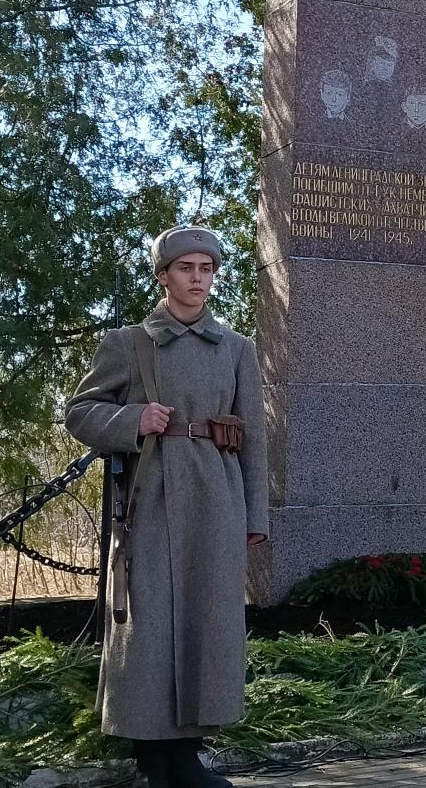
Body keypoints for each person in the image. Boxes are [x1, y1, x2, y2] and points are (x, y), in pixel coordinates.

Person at [66, 226, 268, 788]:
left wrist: (255, 515)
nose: (197, 279)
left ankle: (189, 754)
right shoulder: (128, 343)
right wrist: (132, 420)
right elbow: (79, 411)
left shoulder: (236, 348)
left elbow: (252, 435)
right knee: (147, 622)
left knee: (208, 620)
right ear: (163, 274)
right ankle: (152, 755)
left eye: (207, 268)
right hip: (148, 497)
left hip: (216, 499)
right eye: (186, 268)